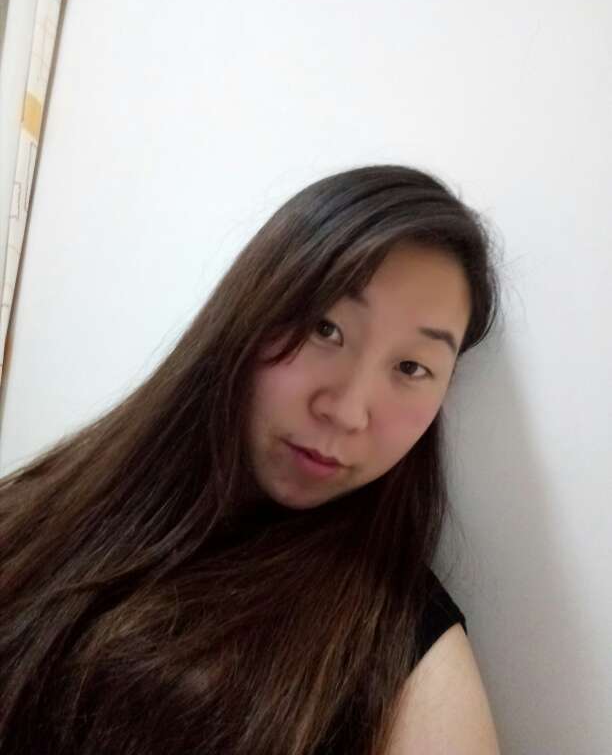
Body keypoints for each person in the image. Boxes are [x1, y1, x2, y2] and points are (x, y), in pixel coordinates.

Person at [0, 164, 502, 754]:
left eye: (411, 367)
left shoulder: (408, 652)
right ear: (253, 309)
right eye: (326, 329)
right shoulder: (50, 504)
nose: (347, 411)